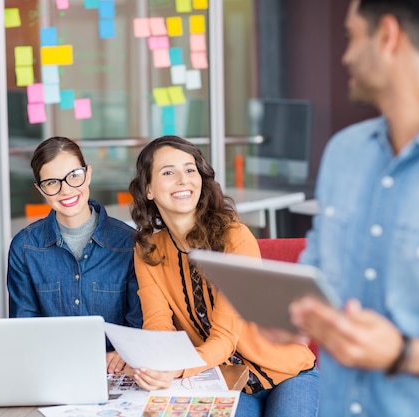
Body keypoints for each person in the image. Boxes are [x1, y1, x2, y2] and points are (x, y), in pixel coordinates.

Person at [280, 1, 419, 416]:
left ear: (387, 35)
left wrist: (404, 354)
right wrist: (286, 315)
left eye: (351, 37)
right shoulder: (344, 153)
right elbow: (316, 280)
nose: (345, 55)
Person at [128, 135, 319, 417]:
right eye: (168, 172)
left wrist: (177, 367)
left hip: (289, 373)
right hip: (223, 380)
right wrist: (159, 363)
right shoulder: (149, 249)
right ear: (148, 190)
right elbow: (158, 323)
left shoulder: (234, 237)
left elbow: (226, 337)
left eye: (190, 169)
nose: (183, 179)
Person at [7, 136, 142, 374]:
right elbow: (24, 328)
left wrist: (123, 353)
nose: (66, 189)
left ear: (87, 174)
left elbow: (138, 323)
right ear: (40, 189)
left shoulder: (129, 243)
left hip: (116, 370)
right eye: (51, 182)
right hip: (52, 370)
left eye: (74, 176)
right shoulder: (25, 247)